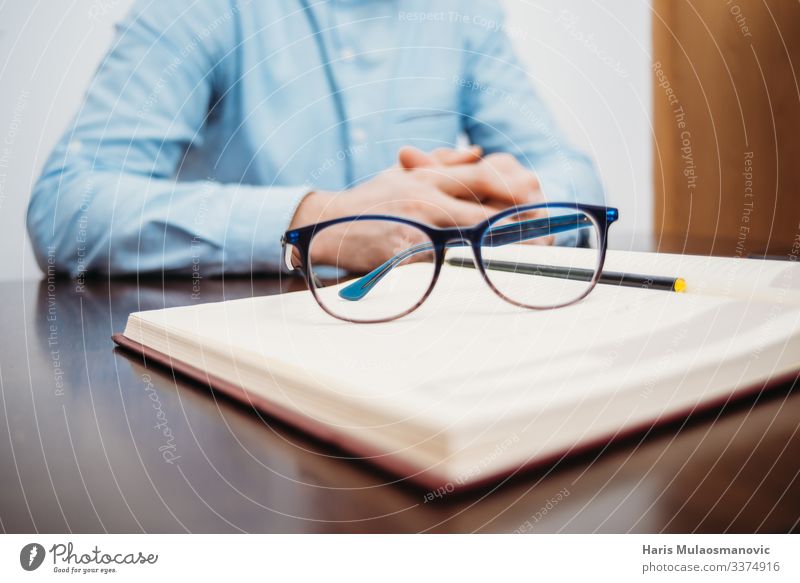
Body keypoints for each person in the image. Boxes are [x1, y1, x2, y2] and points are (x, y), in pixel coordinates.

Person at [27, 0, 603, 277]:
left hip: (435, 344)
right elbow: (65, 209)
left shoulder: (461, 11)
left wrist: (511, 207)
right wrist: (320, 221)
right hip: (243, 370)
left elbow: (570, 173)